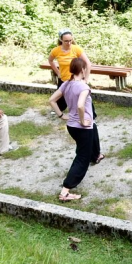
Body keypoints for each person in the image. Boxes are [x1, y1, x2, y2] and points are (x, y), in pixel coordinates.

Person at [47, 29, 105, 164]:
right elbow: (50, 61)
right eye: (66, 40)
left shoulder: (76, 49)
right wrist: (58, 73)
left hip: (77, 84)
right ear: (61, 40)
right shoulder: (56, 50)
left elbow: (88, 64)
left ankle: (94, 153)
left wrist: (85, 80)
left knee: (91, 119)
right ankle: (87, 153)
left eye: (70, 40)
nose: (68, 43)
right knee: (74, 113)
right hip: (66, 84)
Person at [49, 58, 94, 202]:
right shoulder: (83, 87)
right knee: (83, 158)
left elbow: (51, 100)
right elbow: (81, 105)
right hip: (82, 127)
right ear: (82, 70)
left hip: (71, 126)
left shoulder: (67, 84)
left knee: (81, 153)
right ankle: (66, 191)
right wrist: (82, 120)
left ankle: (68, 186)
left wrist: (61, 115)